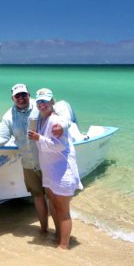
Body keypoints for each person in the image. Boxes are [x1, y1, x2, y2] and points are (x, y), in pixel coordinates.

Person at [0, 83, 71, 234]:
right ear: (12, 98)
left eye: (24, 94)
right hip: (28, 164)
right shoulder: (8, 117)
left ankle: (59, 234)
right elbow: (3, 138)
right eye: (17, 96)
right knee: (37, 196)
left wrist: (62, 126)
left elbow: (63, 117)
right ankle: (44, 231)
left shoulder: (40, 106)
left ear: (29, 95)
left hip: (47, 161)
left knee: (52, 197)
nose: (21, 98)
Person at [28, 87, 82, 249]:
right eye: (39, 102)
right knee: (54, 205)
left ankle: (63, 246)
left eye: (45, 101)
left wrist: (39, 138)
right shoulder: (41, 119)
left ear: (52, 102)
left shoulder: (55, 121)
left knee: (62, 210)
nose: (42, 104)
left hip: (62, 172)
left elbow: (58, 146)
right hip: (50, 171)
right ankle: (59, 237)